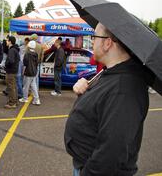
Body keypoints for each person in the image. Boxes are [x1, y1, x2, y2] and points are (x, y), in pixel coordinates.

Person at [64, 22, 149, 176]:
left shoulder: (124, 88)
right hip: (84, 162)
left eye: (94, 37)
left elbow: (113, 151)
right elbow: (99, 105)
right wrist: (83, 89)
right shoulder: (111, 72)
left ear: (107, 43)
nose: (91, 42)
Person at [19, 40, 41, 105]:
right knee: (33, 86)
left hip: (28, 72)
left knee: (26, 86)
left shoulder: (27, 54)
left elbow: (24, 63)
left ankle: (25, 98)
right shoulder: (36, 54)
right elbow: (37, 63)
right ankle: (37, 99)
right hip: (34, 72)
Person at [4, 35, 20, 109]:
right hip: (14, 71)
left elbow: (11, 60)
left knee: (11, 87)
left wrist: (6, 65)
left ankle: (12, 103)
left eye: (7, 40)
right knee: (14, 87)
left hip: (10, 71)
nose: (6, 42)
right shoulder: (15, 49)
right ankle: (15, 101)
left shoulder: (12, 50)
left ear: (10, 41)